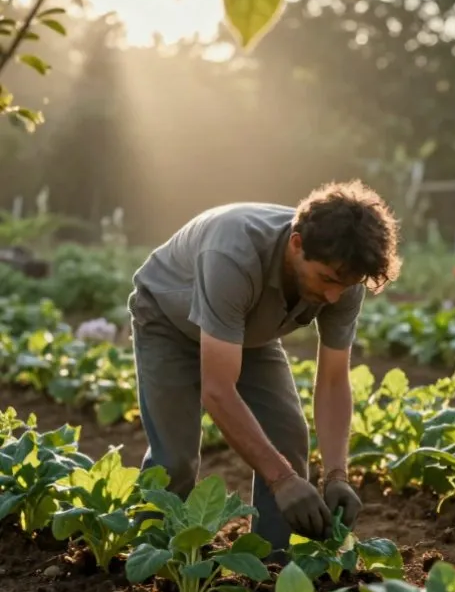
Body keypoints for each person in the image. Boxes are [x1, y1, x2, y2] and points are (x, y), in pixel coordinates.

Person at [127, 180, 402, 551]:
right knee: (174, 458)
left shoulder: (343, 277)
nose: (333, 295)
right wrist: (282, 480)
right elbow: (217, 391)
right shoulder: (233, 255)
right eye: (327, 279)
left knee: (287, 436)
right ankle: (151, 556)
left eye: (346, 284)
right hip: (168, 320)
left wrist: (337, 474)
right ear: (296, 244)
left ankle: (275, 566)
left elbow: (334, 381)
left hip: (246, 328)